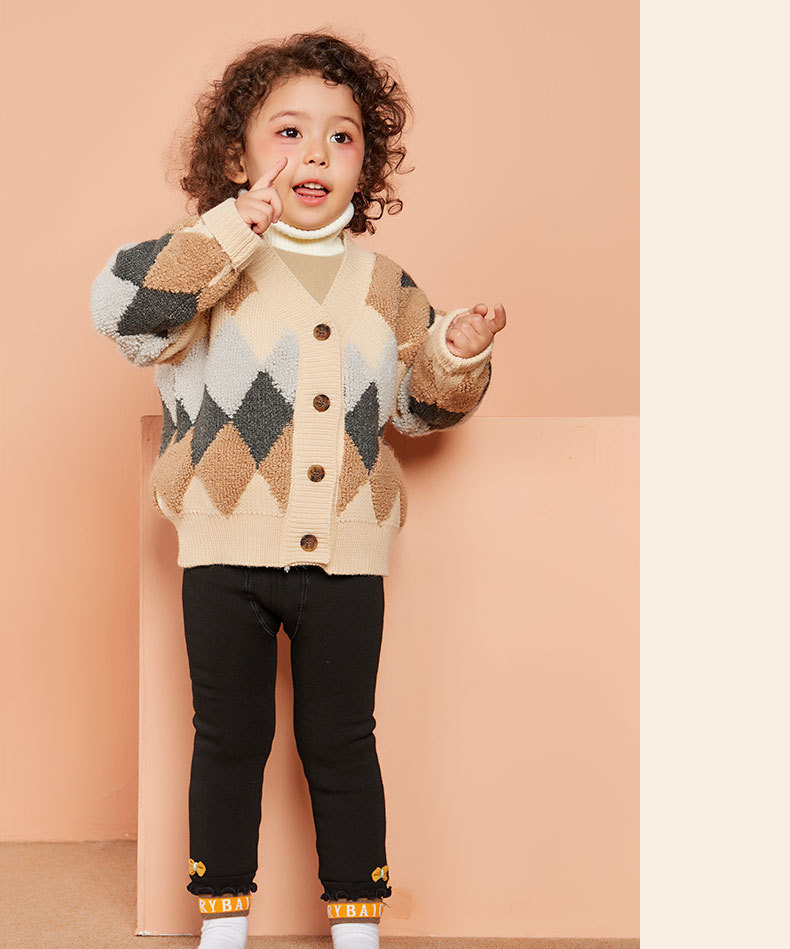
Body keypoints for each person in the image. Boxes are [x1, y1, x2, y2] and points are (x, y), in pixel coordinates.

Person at [90, 30, 506, 949]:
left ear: (367, 165)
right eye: (288, 131)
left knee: (342, 741)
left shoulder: (386, 286)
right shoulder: (211, 266)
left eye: (342, 136)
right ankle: (223, 925)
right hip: (223, 552)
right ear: (238, 157)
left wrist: (455, 352)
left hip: (348, 557)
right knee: (228, 739)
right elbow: (121, 311)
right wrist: (231, 226)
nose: (315, 152)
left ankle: (356, 926)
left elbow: (419, 410)